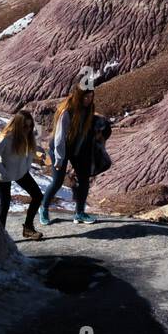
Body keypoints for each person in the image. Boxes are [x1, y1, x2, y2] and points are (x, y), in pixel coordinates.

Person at [39, 67, 99, 226]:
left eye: (91, 97)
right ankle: (43, 208)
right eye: (86, 97)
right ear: (79, 96)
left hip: (75, 148)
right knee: (57, 182)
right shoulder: (67, 111)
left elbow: (84, 132)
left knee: (84, 180)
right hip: (60, 148)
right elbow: (59, 138)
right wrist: (59, 159)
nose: (89, 100)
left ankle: (79, 213)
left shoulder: (88, 109)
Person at [0, 110, 44, 242]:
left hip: (20, 172)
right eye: (25, 126)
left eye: (30, 126)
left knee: (37, 196)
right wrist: (5, 172)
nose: (28, 129)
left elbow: (31, 153)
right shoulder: (6, 138)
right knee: (5, 204)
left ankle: (28, 229)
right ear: (18, 125)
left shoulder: (29, 136)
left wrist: (26, 167)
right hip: (4, 175)